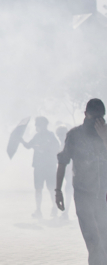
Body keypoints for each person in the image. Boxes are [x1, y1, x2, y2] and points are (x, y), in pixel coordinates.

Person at [56, 99, 107, 265]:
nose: (97, 123)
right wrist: (58, 191)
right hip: (84, 196)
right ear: (85, 115)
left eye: (101, 119)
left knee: (104, 243)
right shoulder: (75, 135)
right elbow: (63, 161)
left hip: (104, 196)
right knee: (93, 242)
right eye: (94, 118)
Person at [21, 116, 60, 218]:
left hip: (49, 166)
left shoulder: (51, 136)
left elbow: (57, 147)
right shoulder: (37, 136)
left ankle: (54, 208)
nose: (35, 126)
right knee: (39, 189)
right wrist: (21, 140)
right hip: (39, 167)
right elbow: (28, 146)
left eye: (37, 124)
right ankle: (39, 210)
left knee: (51, 189)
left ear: (42, 125)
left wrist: (45, 148)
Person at [56, 125, 73, 221]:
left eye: (61, 135)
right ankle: (66, 212)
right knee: (68, 191)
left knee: (69, 191)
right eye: (59, 135)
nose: (60, 137)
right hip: (66, 172)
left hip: (71, 171)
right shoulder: (61, 144)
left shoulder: (69, 143)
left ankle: (66, 212)